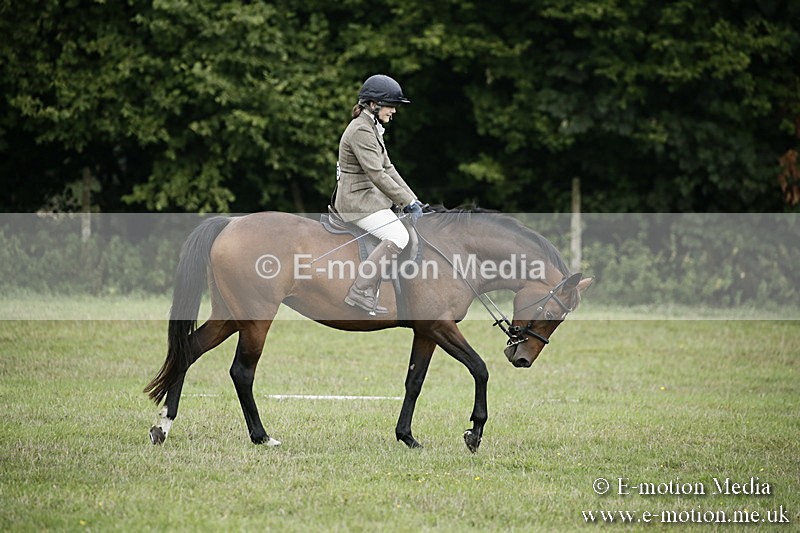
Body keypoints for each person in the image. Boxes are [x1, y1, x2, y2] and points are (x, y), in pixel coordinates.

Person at [334, 74, 425, 314]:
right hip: (356, 202)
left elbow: (388, 168)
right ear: (373, 105)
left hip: (367, 198)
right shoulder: (361, 131)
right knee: (398, 235)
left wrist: (413, 199)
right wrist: (405, 202)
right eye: (391, 105)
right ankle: (361, 291)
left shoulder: (372, 127)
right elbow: (376, 174)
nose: (394, 111)